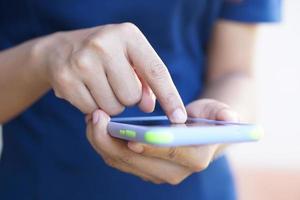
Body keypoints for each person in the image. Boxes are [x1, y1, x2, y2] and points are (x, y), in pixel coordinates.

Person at [0, 0, 281, 199]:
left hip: (198, 188)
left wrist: (220, 123)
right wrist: (47, 56)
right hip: (43, 184)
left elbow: (235, 70)